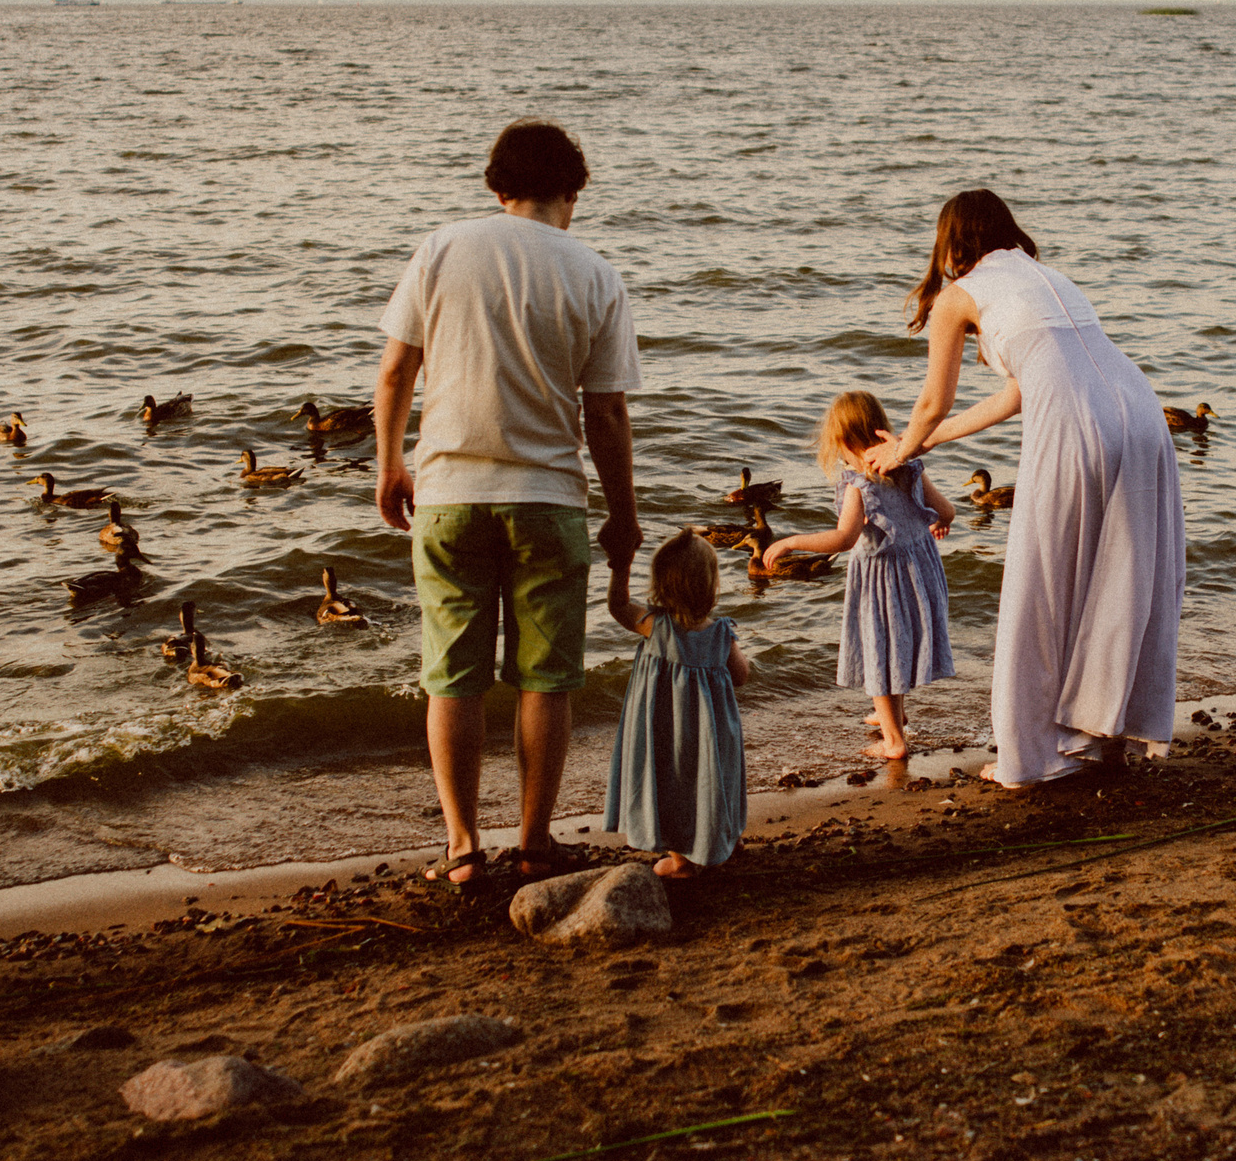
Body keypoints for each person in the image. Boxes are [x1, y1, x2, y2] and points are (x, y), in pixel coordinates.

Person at [374, 119, 642, 885]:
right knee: (544, 678)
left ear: (497, 188)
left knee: (452, 675)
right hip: (548, 497)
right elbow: (608, 416)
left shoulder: (443, 248)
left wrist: (391, 464)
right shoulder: (594, 272)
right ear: (574, 192)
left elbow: (395, 372)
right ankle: (533, 837)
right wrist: (622, 512)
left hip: (449, 495)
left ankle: (461, 845)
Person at [866, 190, 1185, 787]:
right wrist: (926, 443)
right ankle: (1100, 731)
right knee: (1115, 580)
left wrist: (903, 446)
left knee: (1042, 583)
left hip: (1075, 421)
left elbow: (935, 401)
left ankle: (1032, 755)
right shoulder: (1048, 277)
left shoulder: (957, 296)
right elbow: (1017, 392)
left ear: (950, 241)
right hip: (1141, 413)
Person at [763, 390, 955, 760]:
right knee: (899, 645)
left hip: (882, 579)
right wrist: (938, 525)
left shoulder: (859, 485)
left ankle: (894, 741)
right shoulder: (911, 467)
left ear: (846, 442)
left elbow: (844, 538)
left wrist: (792, 541)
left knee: (878, 650)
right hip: (921, 572)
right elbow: (946, 510)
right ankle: (893, 716)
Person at [605, 529, 751, 877]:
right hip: (712, 733)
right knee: (715, 779)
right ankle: (723, 839)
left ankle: (683, 861)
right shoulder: (721, 634)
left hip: (665, 730)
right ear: (711, 586)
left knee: (673, 781)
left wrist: (620, 565)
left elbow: (617, 605)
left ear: (661, 586)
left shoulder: (654, 627)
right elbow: (742, 675)